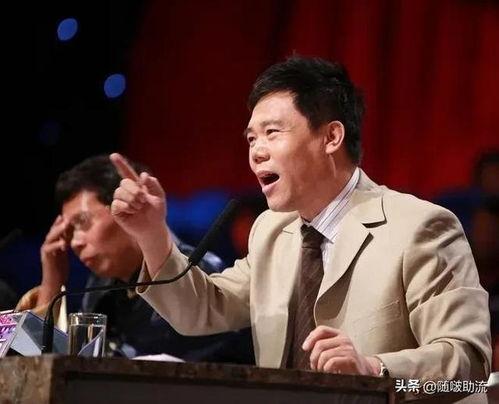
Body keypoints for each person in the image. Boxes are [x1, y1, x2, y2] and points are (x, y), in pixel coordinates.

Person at [109, 57, 490, 391]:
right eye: (251, 139)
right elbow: (203, 309)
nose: (256, 152)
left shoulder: (420, 227)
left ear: (331, 137)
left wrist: (374, 370)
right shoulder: (272, 230)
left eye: (272, 133)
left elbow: (467, 366)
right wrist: (151, 233)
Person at [17, 155, 253, 362]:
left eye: (83, 222)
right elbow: (50, 369)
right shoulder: (101, 289)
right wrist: (52, 282)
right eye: (69, 232)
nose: (75, 242)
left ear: (126, 209)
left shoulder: (197, 275)